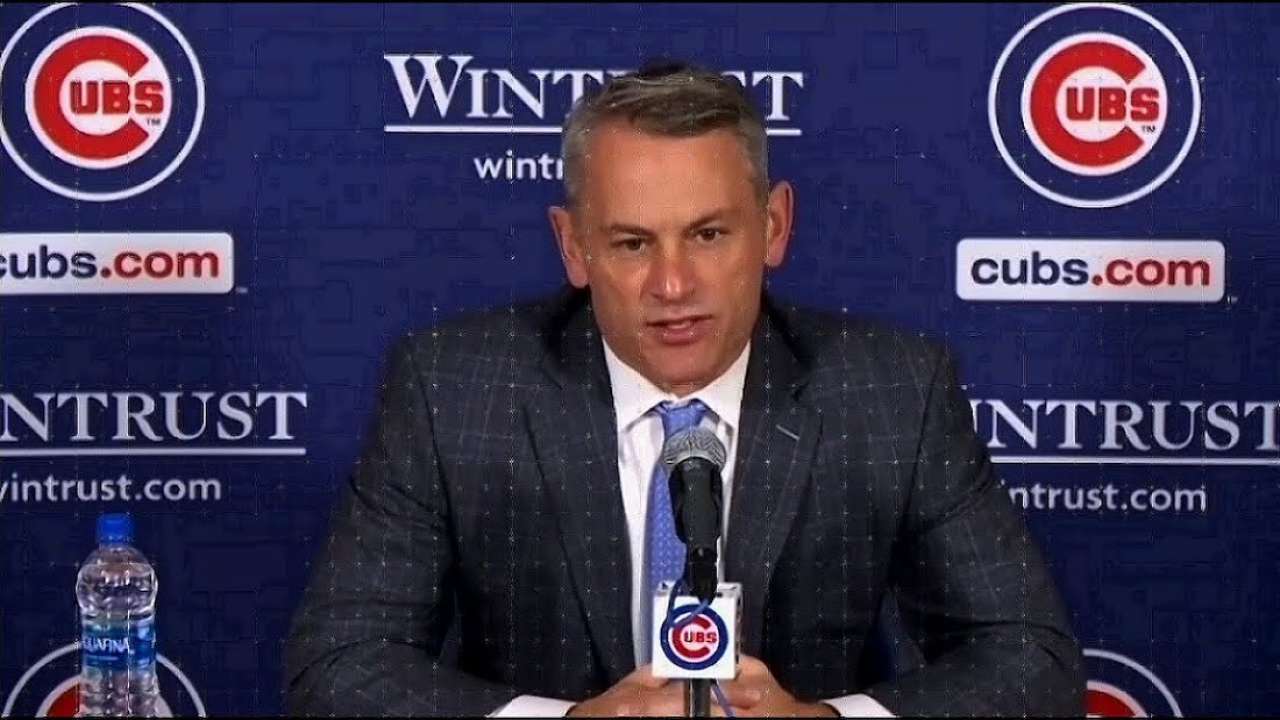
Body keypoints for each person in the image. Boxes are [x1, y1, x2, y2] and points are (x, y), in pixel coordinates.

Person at [283, 60, 1084, 717]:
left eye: (708, 234)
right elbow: (339, 664)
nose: (673, 285)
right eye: (632, 243)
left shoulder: (892, 392)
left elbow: (1032, 663)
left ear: (774, 227)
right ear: (573, 246)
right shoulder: (453, 390)